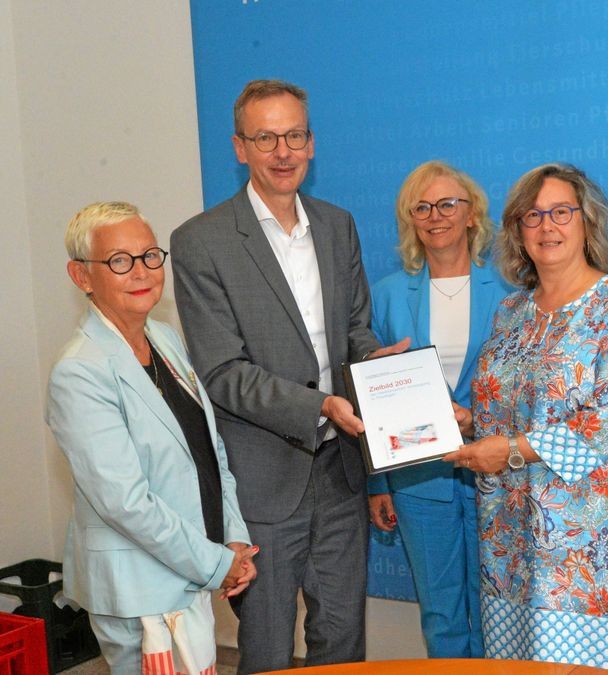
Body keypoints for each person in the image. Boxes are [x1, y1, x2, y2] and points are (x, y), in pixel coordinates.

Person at [170, 80, 403, 673]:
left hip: (341, 468)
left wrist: (376, 370)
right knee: (269, 645)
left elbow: (354, 329)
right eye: (265, 137)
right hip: (263, 478)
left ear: (312, 142)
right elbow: (223, 372)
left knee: (343, 640)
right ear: (239, 147)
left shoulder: (336, 225)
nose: (282, 151)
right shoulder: (201, 241)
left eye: (293, 135)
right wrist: (320, 405)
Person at [443, 164, 608, 675]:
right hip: (512, 543)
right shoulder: (510, 312)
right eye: (532, 215)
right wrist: (470, 422)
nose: (548, 226)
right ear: (518, 231)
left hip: (598, 548)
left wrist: (511, 450)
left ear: (587, 222)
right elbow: (517, 414)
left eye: (562, 212)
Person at [46, 202, 257, 675]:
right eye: (119, 260)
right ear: (81, 277)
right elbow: (125, 503)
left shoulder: (163, 337)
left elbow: (208, 449)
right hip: (140, 590)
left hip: (191, 573)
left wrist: (234, 539)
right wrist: (213, 562)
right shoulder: (80, 372)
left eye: (149, 256)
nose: (141, 272)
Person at [365, 160, 510, 658]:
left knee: (498, 609)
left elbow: (528, 392)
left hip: (497, 475)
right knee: (441, 614)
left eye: (448, 204)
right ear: (410, 219)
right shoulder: (386, 295)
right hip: (417, 480)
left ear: (472, 215)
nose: (435, 215)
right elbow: (372, 396)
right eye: (421, 207)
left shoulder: (513, 292)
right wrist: (377, 483)